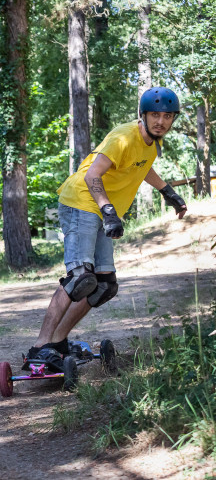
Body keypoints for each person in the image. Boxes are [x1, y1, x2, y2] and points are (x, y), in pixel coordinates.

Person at [23, 87, 188, 368]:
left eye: (167, 116)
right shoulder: (123, 137)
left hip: (100, 208)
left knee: (104, 286)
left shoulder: (153, 143)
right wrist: (108, 210)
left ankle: (58, 341)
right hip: (81, 201)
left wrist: (168, 192)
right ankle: (39, 346)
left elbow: (141, 166)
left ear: (173, 119)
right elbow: (92, 174)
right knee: (79, 279)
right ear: (143, 115)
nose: (161, 121)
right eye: (155, 115)